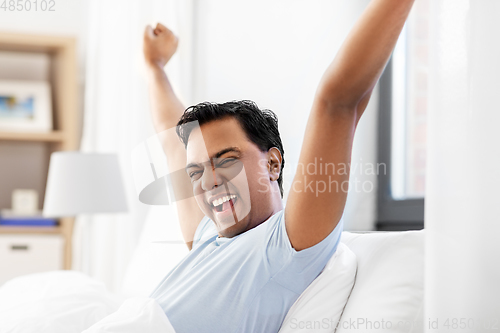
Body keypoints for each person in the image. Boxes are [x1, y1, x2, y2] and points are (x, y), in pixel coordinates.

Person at [142, 0, 415, 332]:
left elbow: (338, 101)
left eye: (226, 160)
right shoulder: (206, 238)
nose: (208, 181)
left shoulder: (283, 246)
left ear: (272, 163)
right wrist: (154, 65)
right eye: (196, 171)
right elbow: (173, 143)